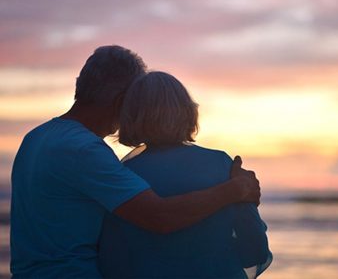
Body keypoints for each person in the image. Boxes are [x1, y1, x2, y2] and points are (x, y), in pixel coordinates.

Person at [10, 46, 261, 278]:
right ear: (122, 100)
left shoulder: (36, 138)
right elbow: (159, 216)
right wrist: (235, 190)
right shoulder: (84, 149)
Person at [98, 71, 272, 278]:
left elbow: (111, 260)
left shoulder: (121, 175)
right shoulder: (223, 166)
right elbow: (255, 251)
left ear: (131, 117)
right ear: (187, 112)